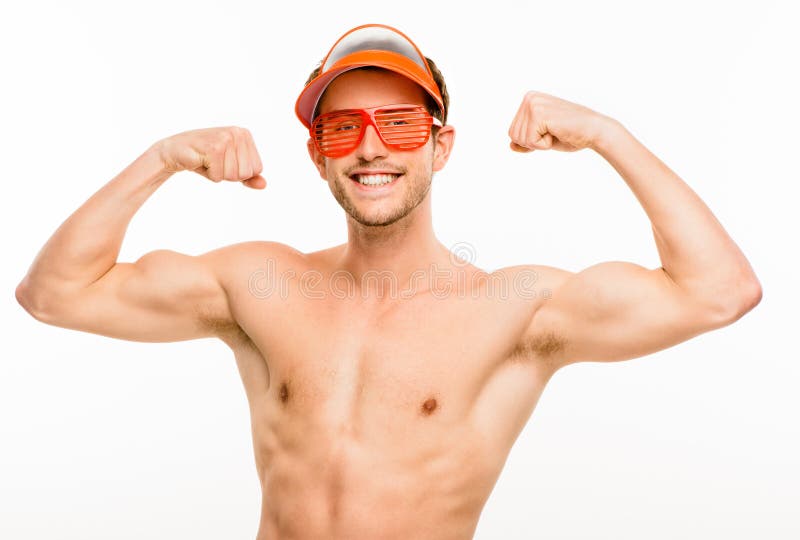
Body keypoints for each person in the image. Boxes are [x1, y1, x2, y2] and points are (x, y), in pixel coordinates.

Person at [15, 23, 761, 540]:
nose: (371, 148)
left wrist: (608, 132)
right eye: (343, 128)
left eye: (400, 124)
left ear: (442, 147)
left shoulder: (512, 311)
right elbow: (53, 293)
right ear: (317, 155)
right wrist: (162, 157)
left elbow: (720, 290)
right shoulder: (260, 286)